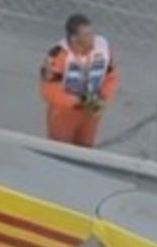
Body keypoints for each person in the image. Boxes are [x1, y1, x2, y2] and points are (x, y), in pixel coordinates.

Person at [39, 13, 119, 148]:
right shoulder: (58, 55)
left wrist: (103, 98)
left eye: (92, 33)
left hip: (91, 110)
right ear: (74, 38)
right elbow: (49, 91)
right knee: (59, 151)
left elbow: (112, 76)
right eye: (87, 35)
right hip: (64, 113)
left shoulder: (103, 48)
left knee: (86, 150)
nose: (92, 38)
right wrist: (79, 102)